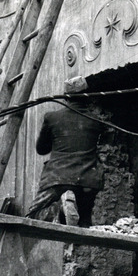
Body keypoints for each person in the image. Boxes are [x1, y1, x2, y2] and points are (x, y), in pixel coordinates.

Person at [25, 76, 107, 227]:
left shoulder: (52, 117)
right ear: (88, 98)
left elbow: (41, 149)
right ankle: (71, 222)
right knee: (83, 223)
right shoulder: (98, 122)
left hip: (58, 178)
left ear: (65, 98)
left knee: (33, 216)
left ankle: (61, 210)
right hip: (88, 181)